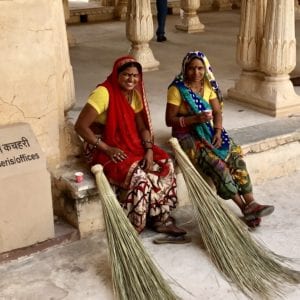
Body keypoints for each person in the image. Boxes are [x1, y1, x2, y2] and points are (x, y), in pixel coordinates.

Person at [75, 55, 186, 237]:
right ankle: (135, 223)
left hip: (128, 141)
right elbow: (80, 126)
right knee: (139, 176)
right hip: (101, 145)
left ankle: (161, 218)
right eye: (126, 75)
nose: (131, 79)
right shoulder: (104, 93)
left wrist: (149, 150)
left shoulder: (134, 95)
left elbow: (141, 127)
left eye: (135, 76)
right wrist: (107, 149)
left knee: (165, 163)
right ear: (116, 75)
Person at [165, 51, 275, 228]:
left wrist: (217, 130)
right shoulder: (177, 89)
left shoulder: (207, 86)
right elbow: (169, 120)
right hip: (187, 134)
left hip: (208, 130)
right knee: (218, 166)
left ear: (205, 69)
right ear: (185, 69)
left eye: (200, 68)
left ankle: (251, 202)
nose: (196, 73)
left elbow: (217, 112)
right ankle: (244, 207)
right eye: (192, 68)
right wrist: (194, 119)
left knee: (236, 159)